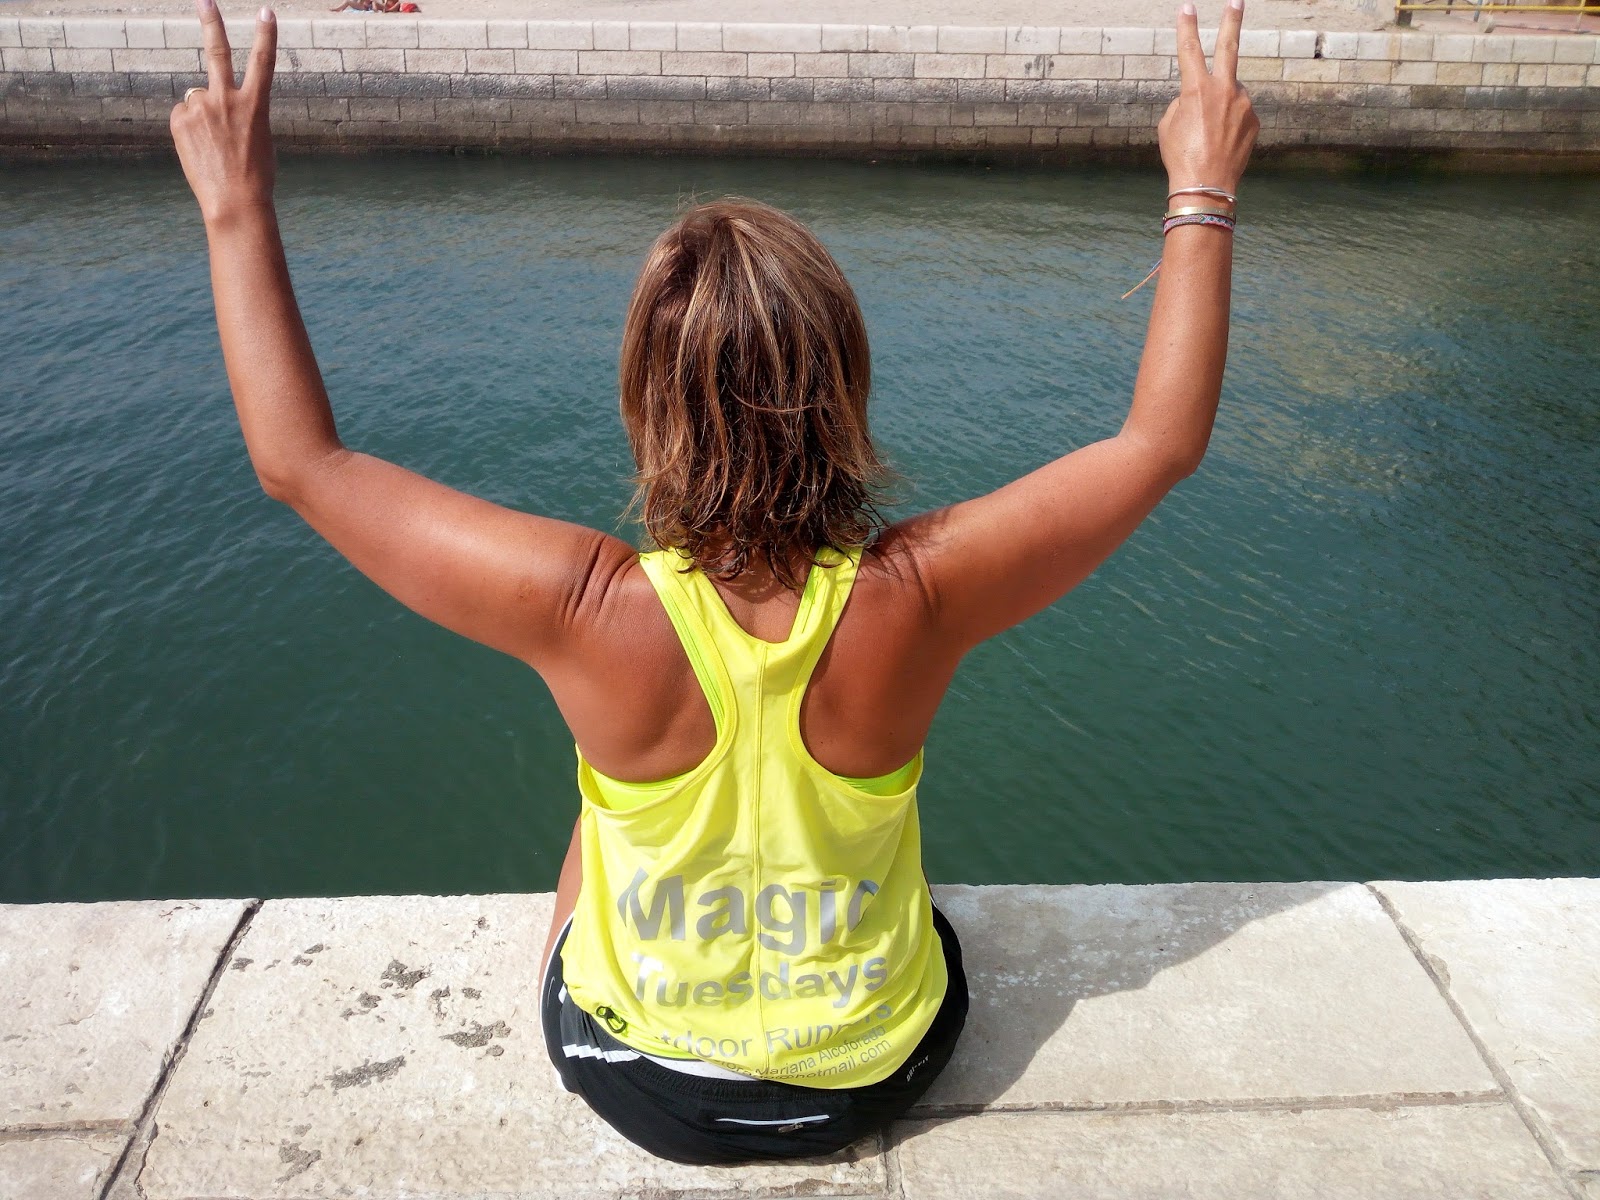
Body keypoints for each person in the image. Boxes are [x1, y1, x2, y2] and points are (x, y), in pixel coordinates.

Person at [169, 0, 1257, 1165]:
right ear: (843, 380)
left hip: (649, 1088)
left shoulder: (581, 607)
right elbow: (1158, 442)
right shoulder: (921, 594)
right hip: (872, 1071)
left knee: (602, 806)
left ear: (646, 397)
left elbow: (302, 464)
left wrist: (237, 207)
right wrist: (1201, 188)